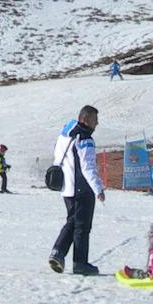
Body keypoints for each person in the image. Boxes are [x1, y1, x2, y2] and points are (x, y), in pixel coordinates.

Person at [47, 105, 106, 275]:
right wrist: (98, 189)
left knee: (72, 221)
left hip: (66, 188)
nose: (97, 124)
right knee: (82, 226)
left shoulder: (66, 133)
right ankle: (79, 263)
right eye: (95, 120)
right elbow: (88, 167)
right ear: (85, 119)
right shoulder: (85, 138)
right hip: (82, 188)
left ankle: (58, 253)